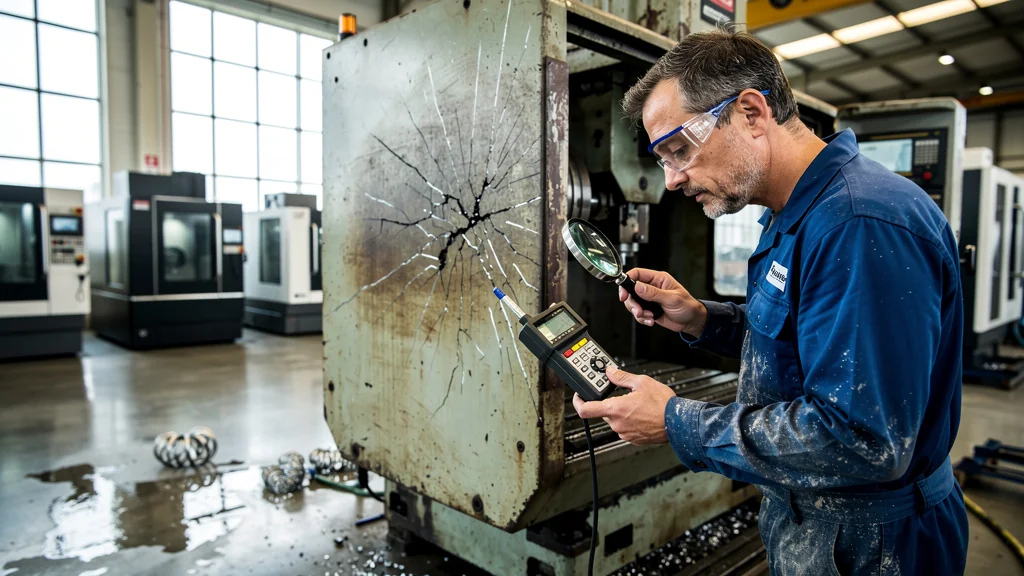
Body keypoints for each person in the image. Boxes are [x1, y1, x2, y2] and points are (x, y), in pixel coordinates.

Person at [572, 30, 968, 575]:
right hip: (818, 521)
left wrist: (675, 420)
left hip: (874, 544)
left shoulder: (858, 223)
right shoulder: (794, 212)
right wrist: (704, 318)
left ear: (752, 112)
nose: (670, 180)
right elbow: (815, 342)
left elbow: (861, 439)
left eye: (679, 149)